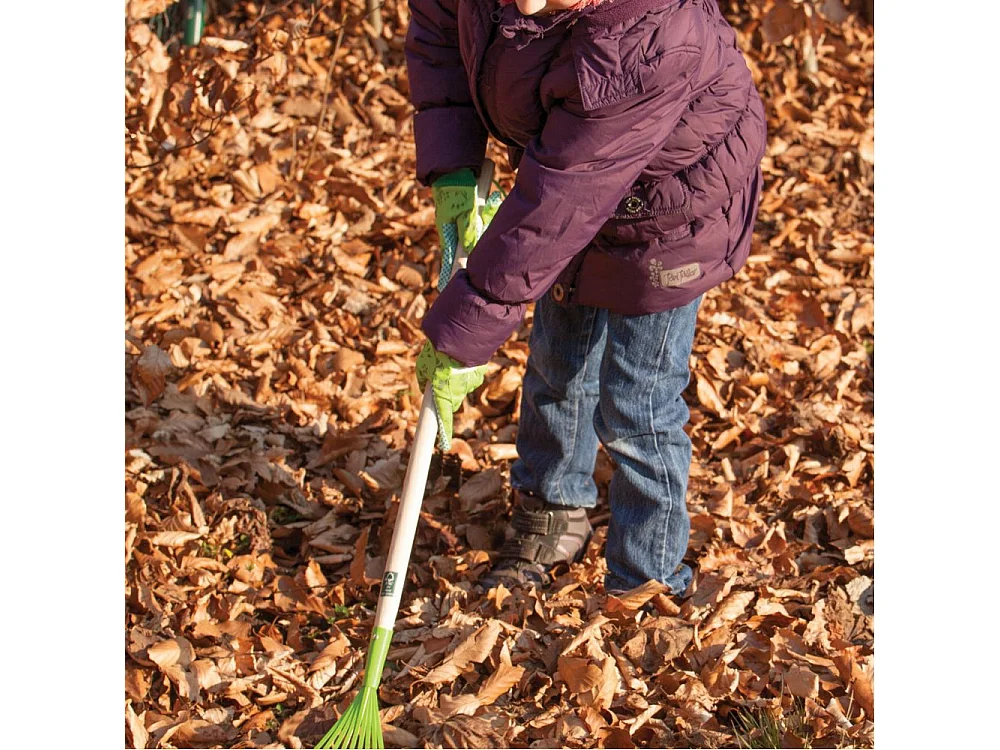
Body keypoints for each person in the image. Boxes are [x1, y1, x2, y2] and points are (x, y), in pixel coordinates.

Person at [407, 0, 767, 596]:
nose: (524, 3)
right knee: (558, 362)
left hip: (671, 215)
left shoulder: (648, 35)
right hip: (568, 170)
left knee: (638, 402)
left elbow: (557, 207)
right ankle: (552, 514)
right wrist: (453, 170)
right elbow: (441, 28)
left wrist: (465, 334)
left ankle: (646, 576)